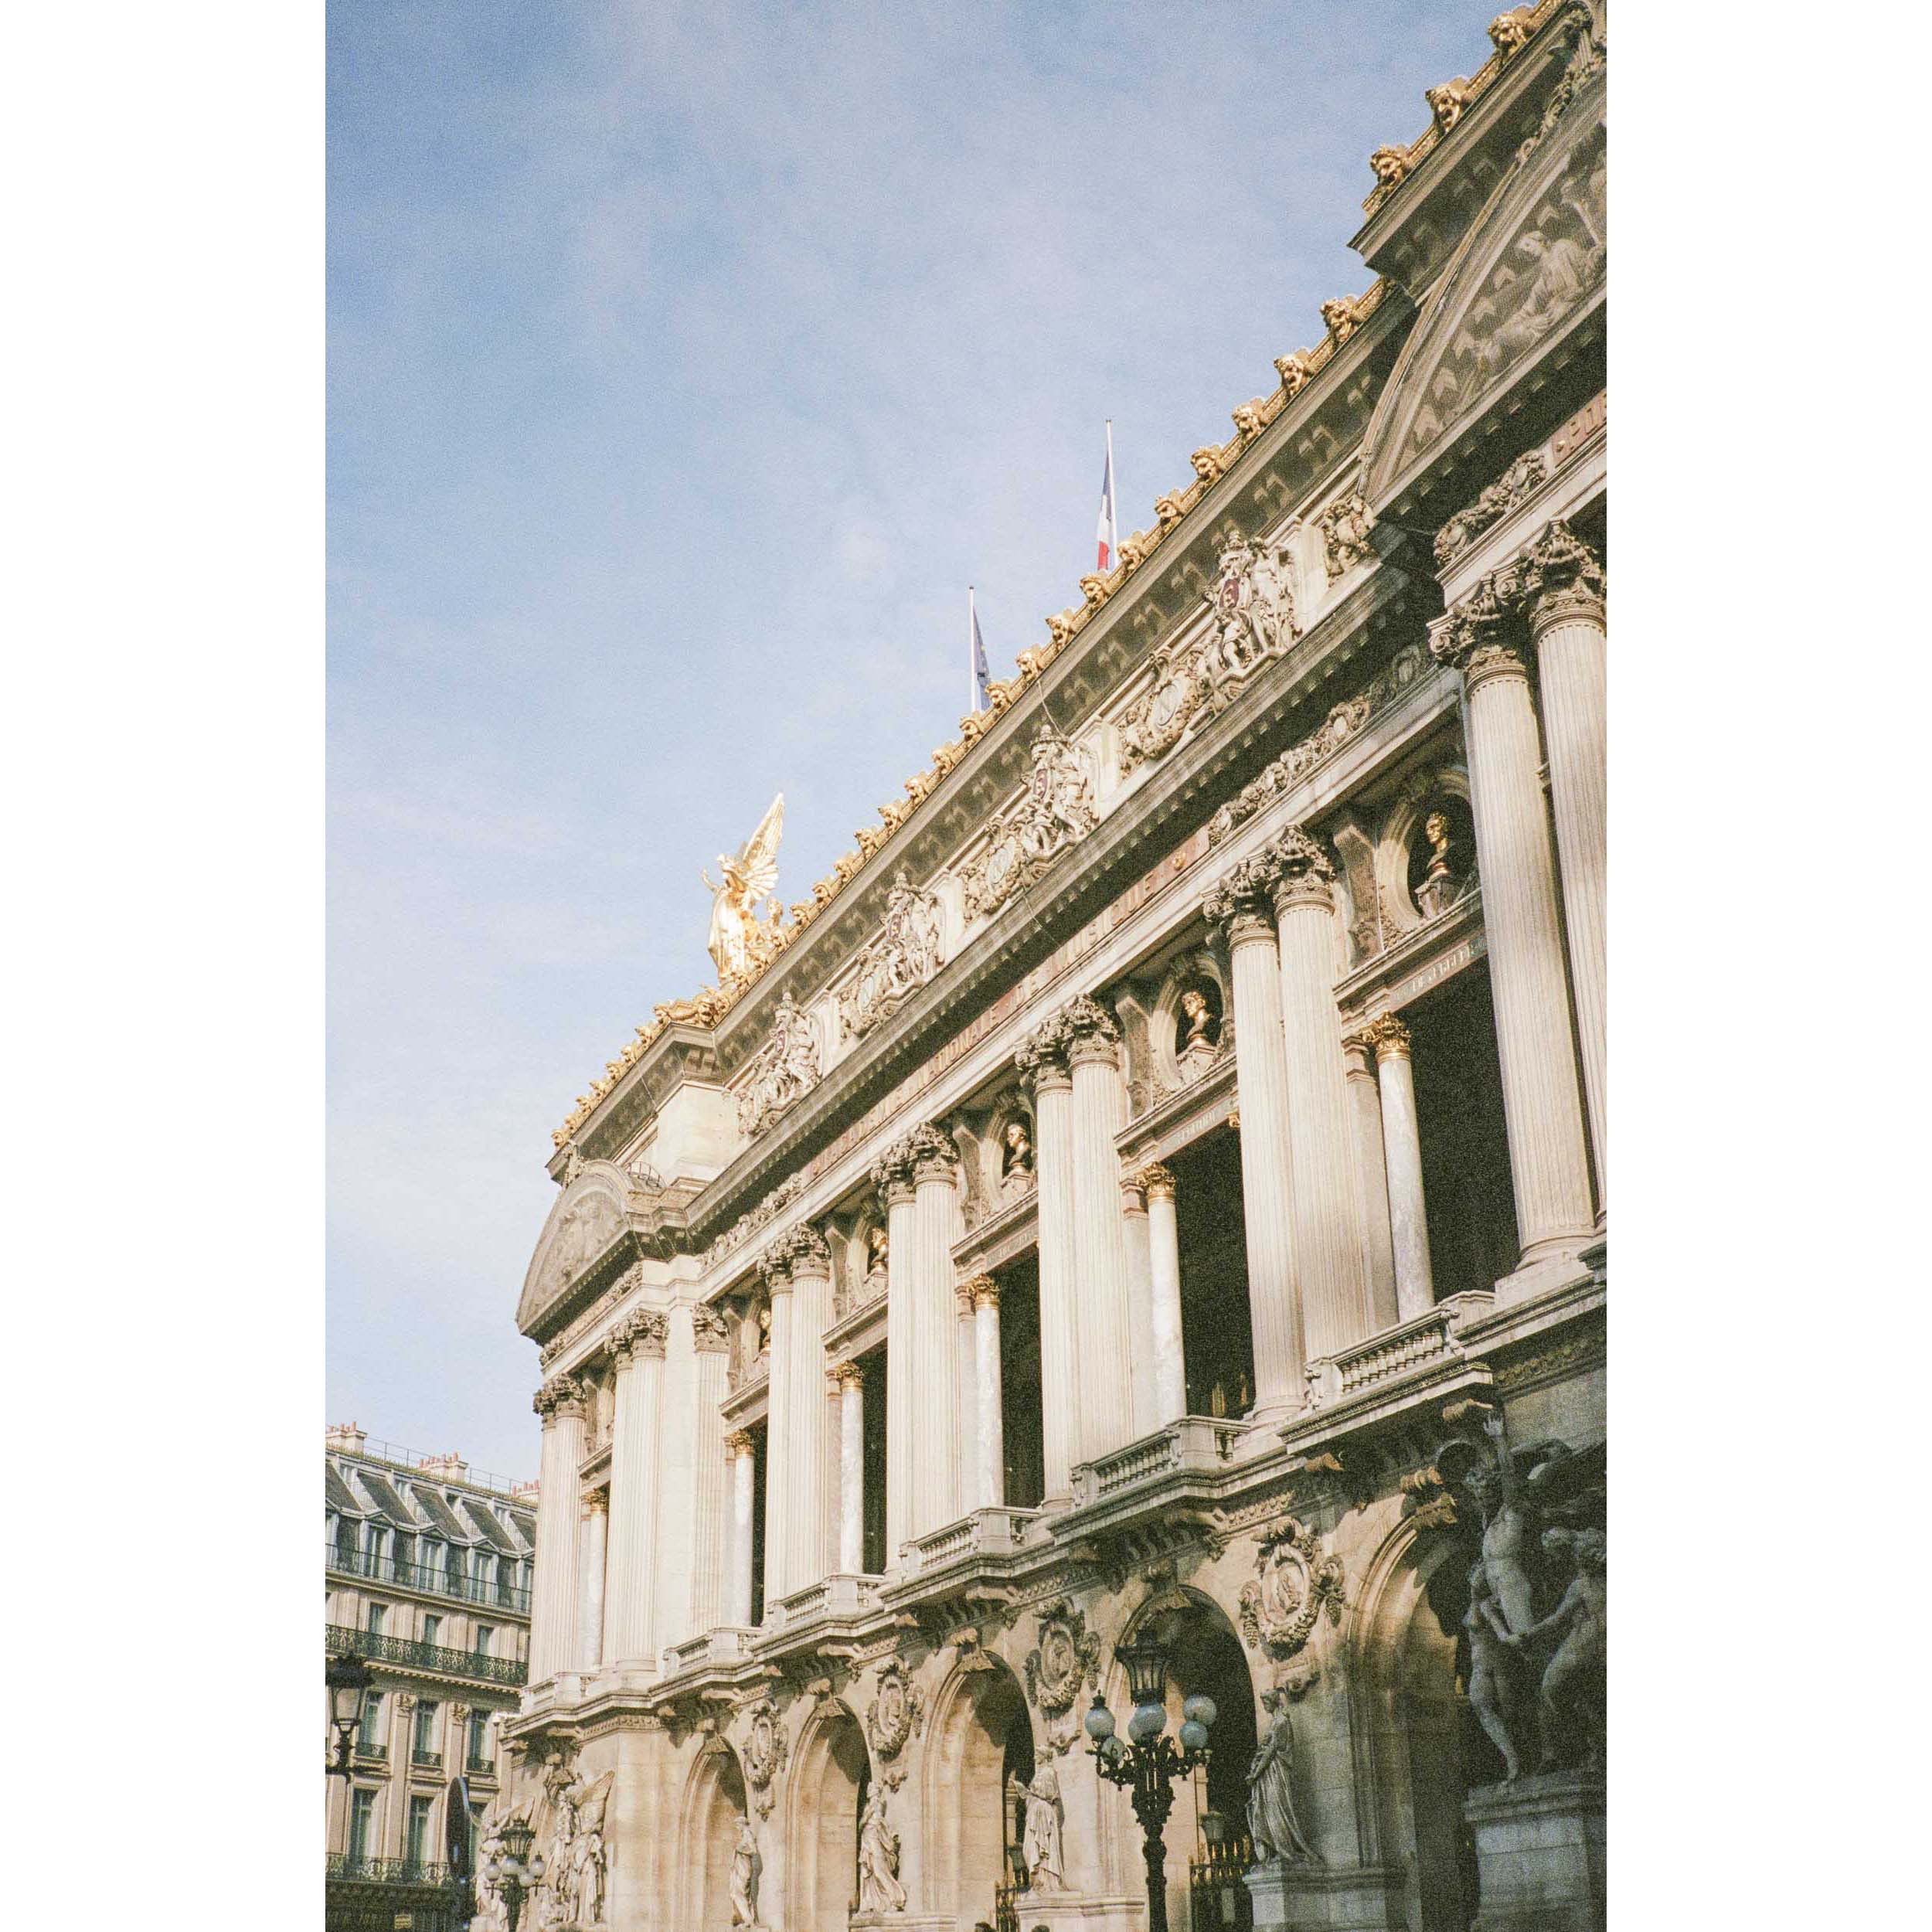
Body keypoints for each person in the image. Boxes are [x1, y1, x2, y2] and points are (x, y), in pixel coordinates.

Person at [1247, 1688, 1318, 1864]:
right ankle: (1275, 1851)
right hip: (1267, 1775)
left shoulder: (1281, 1722)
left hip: (1275, 1773)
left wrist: (1255, 1774)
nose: (1264, 1706)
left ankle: (1285, 1851)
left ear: (1273, 1701)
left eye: (1266, 1702)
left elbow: (1271, 1751)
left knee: (1277, 1809)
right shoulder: (1274, 1722)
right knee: (1267, 1809)